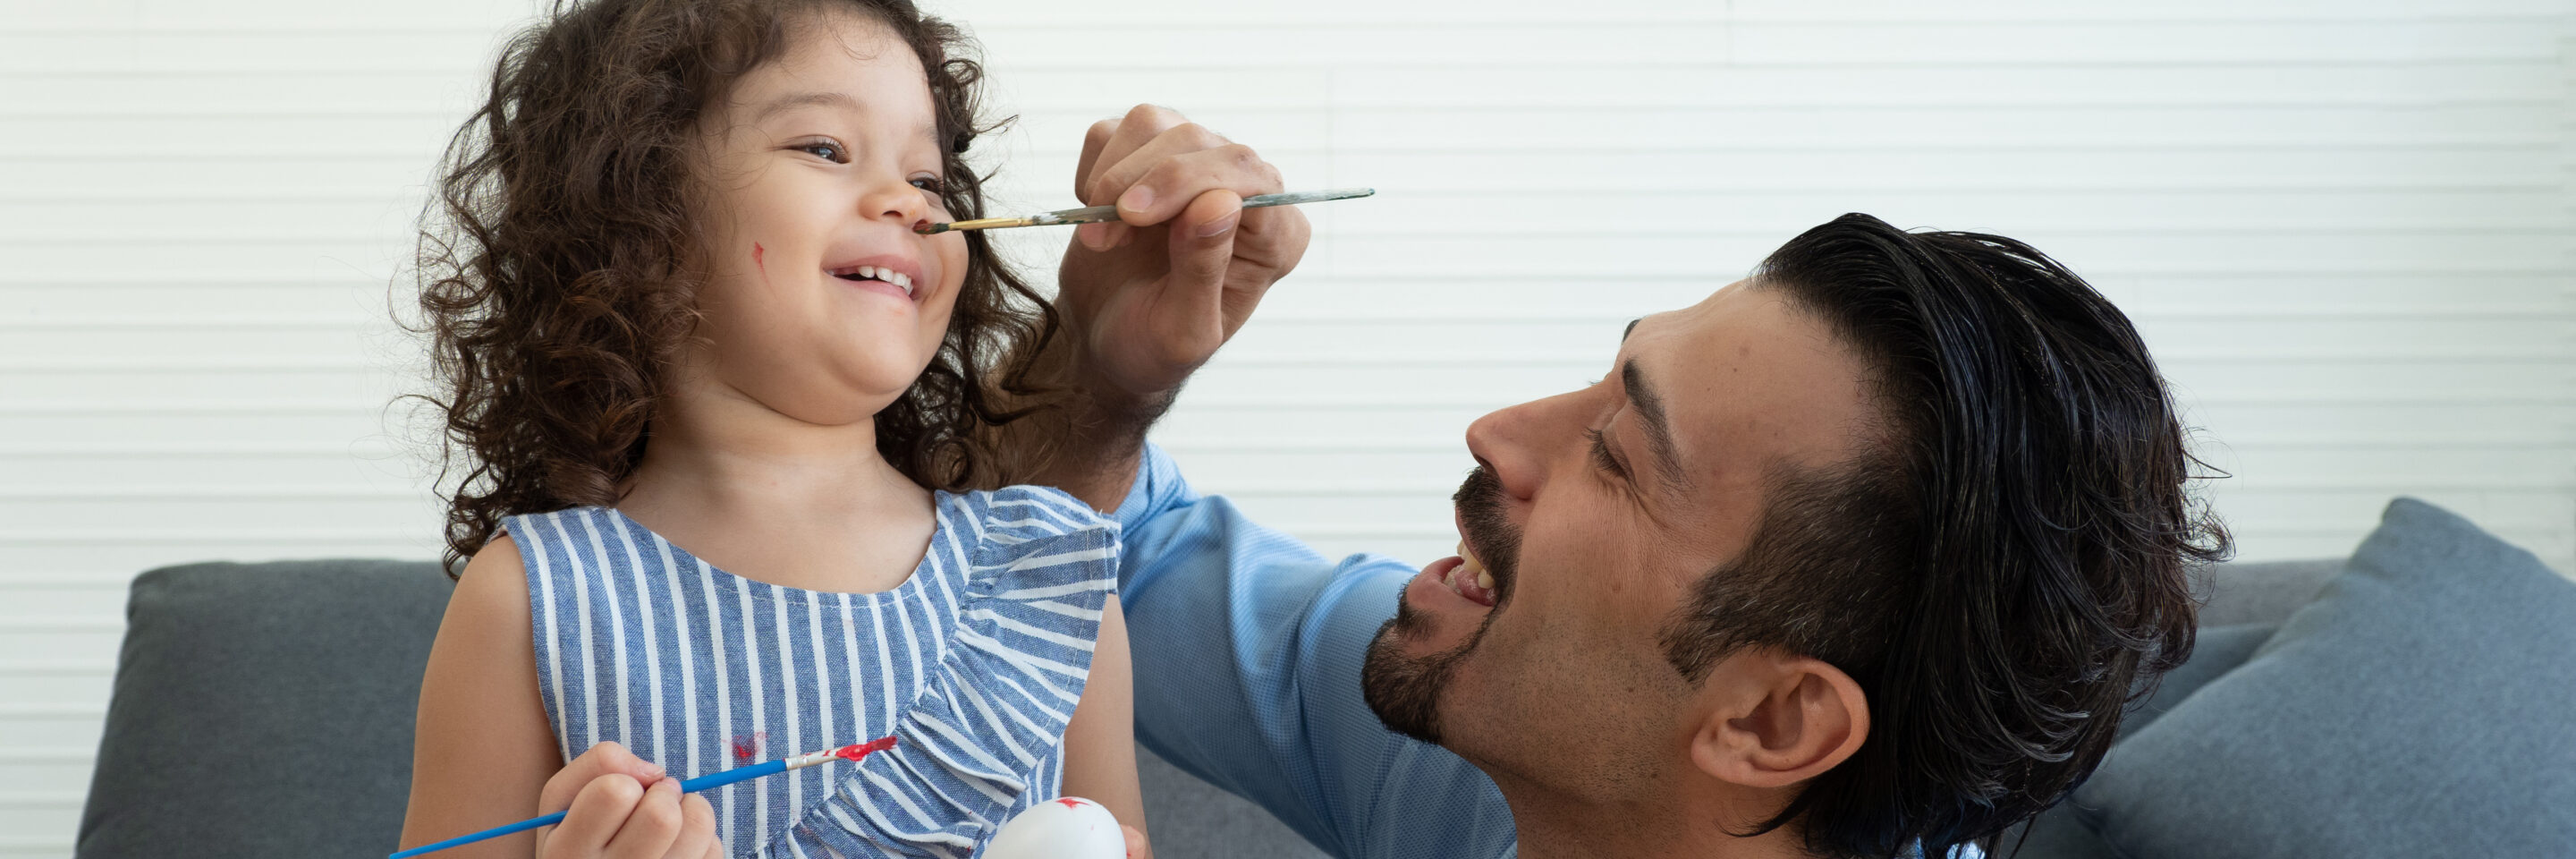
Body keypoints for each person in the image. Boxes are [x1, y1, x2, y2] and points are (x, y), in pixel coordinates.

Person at [1000, 110, 2228, 859]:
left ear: (1770, 723)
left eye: (1620, 458)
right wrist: (1103, 371)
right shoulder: (1496, 753)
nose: (1496, 435)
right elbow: (1105, 548)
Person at [393, 3, 1305, 857]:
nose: (912, 204)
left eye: (927, 177)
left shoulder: (1053, 575)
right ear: (635, 213)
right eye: (827, 148)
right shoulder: (536, 600)